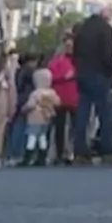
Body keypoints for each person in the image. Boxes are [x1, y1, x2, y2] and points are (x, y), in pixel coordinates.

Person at [72, 4, 112, 163]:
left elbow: (75, 52)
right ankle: (107, 148)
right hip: (99, 73)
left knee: (83, 111)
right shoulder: (105, 29)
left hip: (83, 73)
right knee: (104, 111)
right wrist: (110, 71)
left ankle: (79, 148)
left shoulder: (82, 29)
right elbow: (108, 54)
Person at [47, 35, 79, 164]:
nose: (70, 48)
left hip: (75, 98)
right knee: (59, 128)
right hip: (59, 98)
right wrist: (64, 77)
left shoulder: (79, 61)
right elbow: (49, 76)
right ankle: (59, 153)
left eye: (72, 46)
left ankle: (72, 152)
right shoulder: (57, 61)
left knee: (75, 128)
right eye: (68, 45)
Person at [20, 67, 59, 166]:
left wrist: (24, 109)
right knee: (43, 137)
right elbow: (58, 102)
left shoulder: (36, 93)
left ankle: (27, 157)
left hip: (34, 118)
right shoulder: (52, 93)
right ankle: (42, 157)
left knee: (32, 137)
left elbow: (30, 105)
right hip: (46, 118)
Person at [6, 53, 37, 164]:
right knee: (25, 128)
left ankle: (14, 153)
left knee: (18, 126)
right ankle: (20, 153)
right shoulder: (30, 72)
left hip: (20, 99)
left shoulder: (19, 71)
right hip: (28, 99)